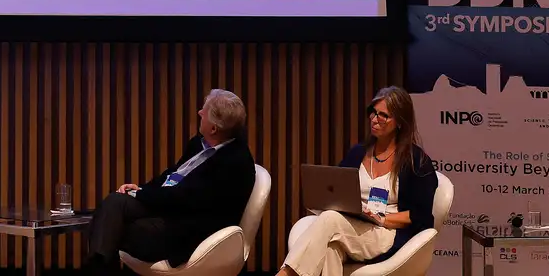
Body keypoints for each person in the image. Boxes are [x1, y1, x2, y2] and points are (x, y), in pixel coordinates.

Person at [85, 89, 256, 275]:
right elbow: (173, 175)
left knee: (120, 229)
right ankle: (99, 269)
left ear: (214, 128)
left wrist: (142, 194)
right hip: (169, 209)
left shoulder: (234, 162)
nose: (199, 112)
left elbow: (184, 198)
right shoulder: (199, 143)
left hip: (188, 229)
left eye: (204, 111)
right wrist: (142, 188)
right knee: (114, 203)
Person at [278, 86, 438, 276]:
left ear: (400, 123)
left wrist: (381, 218)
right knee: (330, 249)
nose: (374, 119)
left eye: (383, 116)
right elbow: (337, 189)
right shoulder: (358, 153)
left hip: (386, 232)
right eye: (373, 112)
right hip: (352, 224)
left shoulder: (416, 162)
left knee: (329, 219)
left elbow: (420, 215)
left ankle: (286, 274)